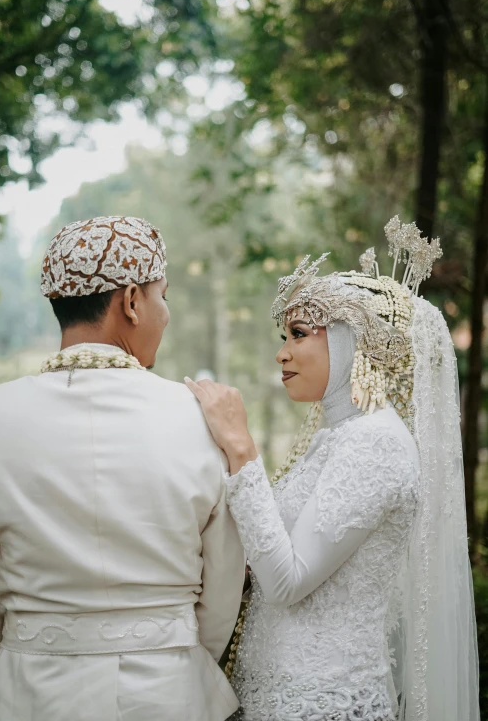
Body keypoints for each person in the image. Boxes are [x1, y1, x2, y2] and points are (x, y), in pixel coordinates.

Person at [186, 217, 479, 721]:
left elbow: (288, 582)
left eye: (299, 334)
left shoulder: (377, 445)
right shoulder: (337, 439)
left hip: (325, 705)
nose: (282, 352)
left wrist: (241, 448)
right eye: (284, 335)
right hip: (274, 699)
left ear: (352, 343)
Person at [0, 215, 244, 721]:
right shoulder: (202, 420)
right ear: (132, 301)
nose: (167, 311)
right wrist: (175, 653)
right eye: (164, 295)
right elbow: (224, 583)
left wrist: (19, 659)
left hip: (31, 694)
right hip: (170, 694)